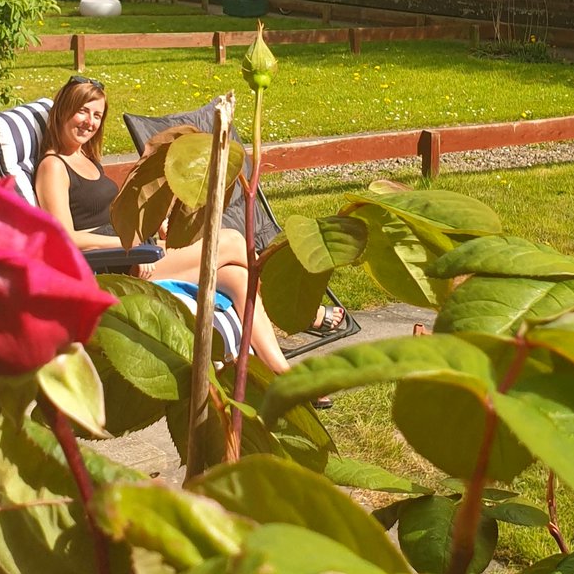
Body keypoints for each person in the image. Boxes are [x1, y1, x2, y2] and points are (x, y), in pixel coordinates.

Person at [33, 75, 342, 380]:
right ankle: (300, 312)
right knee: (232, 240)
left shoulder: (84, 158)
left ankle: (283, 373)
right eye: (83, 111)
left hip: (136, 251)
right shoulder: (53, 166)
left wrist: (152, 224)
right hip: (117, 268)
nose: (90, 121)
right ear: (63, 110)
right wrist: (130, 250)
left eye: (97, 114)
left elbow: (107, 217)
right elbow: (65, 239)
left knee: (239, 277)